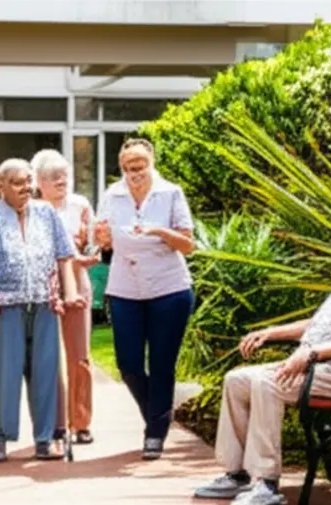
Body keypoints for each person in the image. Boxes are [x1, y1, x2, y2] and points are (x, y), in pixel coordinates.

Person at [193, 210, 331, 505]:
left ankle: (266, 483)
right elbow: (319, 323)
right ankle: (237, 475)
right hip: (314, 364)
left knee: (268, 383)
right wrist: (272, 332)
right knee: (237, 379)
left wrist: (312, 353)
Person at [0, 158, 85, 462]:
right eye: (18, 182)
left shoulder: (46, 213)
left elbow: (64, 255)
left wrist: (69, 293)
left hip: (43, 303)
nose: (26, 187)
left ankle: (44, 438)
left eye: (29, 181)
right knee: (4, 373)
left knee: (45, 371)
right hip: (4, 307)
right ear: (0, 186)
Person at [93, 138, 195, 460]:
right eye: (126, 167)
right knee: (129, 364)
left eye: (138, 166)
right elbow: (104, 239)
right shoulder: (113, 194)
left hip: (169, 288)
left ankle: (155, 432)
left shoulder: (171, 193)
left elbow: (188, 244)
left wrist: (159, 232)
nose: (133, 173)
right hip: (125, 287)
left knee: (162, 363)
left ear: (151, 164)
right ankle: (158, 411)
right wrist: (102, 237)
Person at [31, 148, 103, 446]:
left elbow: (94, 241)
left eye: (64, 175)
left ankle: (81, 422)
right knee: (45, 359)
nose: (61, 181)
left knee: (80, 356)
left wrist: (91, 254)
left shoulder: (80, 205)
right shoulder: (31, 208)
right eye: (52, 177)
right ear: (39, 182)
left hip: (77, 279)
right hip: (42, 286)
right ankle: (53, 423)